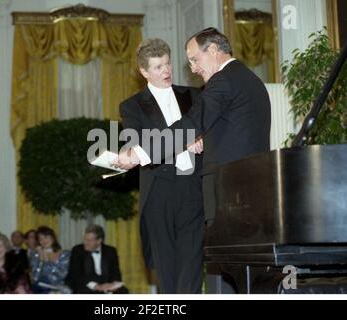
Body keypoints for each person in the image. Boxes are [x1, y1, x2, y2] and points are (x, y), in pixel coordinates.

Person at [114, 28, 271, 292]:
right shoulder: (248, 78)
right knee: (224, 268)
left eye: (194, 60)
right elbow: (218, 128)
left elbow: (193, 123)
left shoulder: (219, 83)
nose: (193, 68)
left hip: (212, 189)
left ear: (212, 51)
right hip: (178, 190)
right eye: (157, 66)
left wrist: (139, 154)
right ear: (144, 72)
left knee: (205, 266)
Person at [115, 38, 204, 294]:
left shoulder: (194, 95)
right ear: (143, 71)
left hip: (193, 187)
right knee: (167, 268)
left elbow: (210, 129)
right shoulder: (132, 106)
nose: (166, 71)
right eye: (157, 67)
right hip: (160, 192)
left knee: (192, 265)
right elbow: (138, 142)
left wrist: (202, 138)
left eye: (167, 64)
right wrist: (184, 141)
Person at [65, 225, 129, 294]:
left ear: (99, 241)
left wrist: (112, 285)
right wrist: (95, 286)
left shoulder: (110, 251)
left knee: (123, 291)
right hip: (86, 284)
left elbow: (116, 273)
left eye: (89, 240)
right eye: (84, 239)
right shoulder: (77, 250)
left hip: (106, 285)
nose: (85, 243)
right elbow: (76, 275)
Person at [29, 226, 70, 293]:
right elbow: (35, 278)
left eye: (46, 237)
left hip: (59, 288)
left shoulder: (65, 254)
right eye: (40, 239)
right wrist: (41, 261)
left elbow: (62, 275)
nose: (43, 241)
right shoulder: (35, 254)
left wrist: (46, 260)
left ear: (53, 237)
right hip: (40, 288)